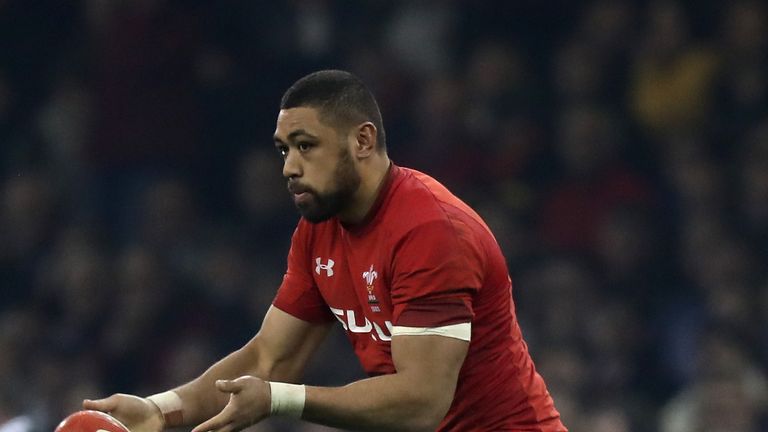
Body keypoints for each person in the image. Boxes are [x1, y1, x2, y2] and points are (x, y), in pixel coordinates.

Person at [84, 70, 567, 431]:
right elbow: (269, 360)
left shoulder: (430, 231)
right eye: (282, 150)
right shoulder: (318, 232)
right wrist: (159, 410)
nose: (289, 167)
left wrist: (284, 400)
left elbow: (423, 401)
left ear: (362, 140)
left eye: (305, 146)